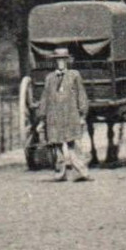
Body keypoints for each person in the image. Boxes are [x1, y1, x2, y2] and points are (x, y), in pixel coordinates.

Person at [40, 49, 91, 182]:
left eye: (63, 59)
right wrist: (42, 118)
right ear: (55, 62)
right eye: (58, 60)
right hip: (54, 116)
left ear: (67, 61)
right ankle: (60, 173)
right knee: (56, 146)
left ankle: (81, 172)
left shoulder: (74, 76)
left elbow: (81, 95)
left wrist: (82, 115)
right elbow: (45, 98)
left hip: (70, 115)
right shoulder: (49, 78)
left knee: (73, 144)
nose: (60, 62)